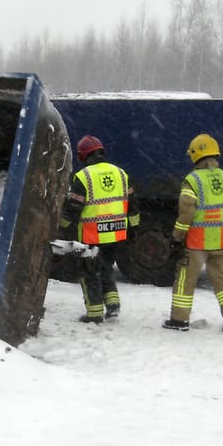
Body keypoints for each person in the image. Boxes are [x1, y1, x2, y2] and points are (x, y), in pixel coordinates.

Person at [164, 133, 223, 334]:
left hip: (197, 243)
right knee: (222, 279)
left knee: (185, 279)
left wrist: (177, 238)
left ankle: (179, 320)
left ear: (195, 155)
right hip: (222, 241)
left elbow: (186, 213)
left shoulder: (192, 181)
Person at [60, 135, 139, 323]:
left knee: (89, 272)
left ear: (82, 156)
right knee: (106, 268)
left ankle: (94, 313)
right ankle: (113, 306)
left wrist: (63, 226)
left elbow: (73, 209)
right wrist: (133, 228)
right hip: (116, 233)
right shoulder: (121, 173)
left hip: (92, 235)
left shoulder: (83, 176)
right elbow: (133, 205)